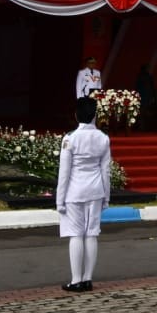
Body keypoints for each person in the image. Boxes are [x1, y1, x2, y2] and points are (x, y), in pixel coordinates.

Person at [57, 96, 111, 292]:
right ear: (95, 115)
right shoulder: (103, 138)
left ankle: (76, 279)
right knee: (91, 234)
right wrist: (106, 196)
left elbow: (64, 173)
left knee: (76, 235)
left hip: (75, 191)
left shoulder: (70, 138)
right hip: (96, 190)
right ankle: (88, 279)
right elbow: (106, 171)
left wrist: (59, 200)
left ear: (76, 115)